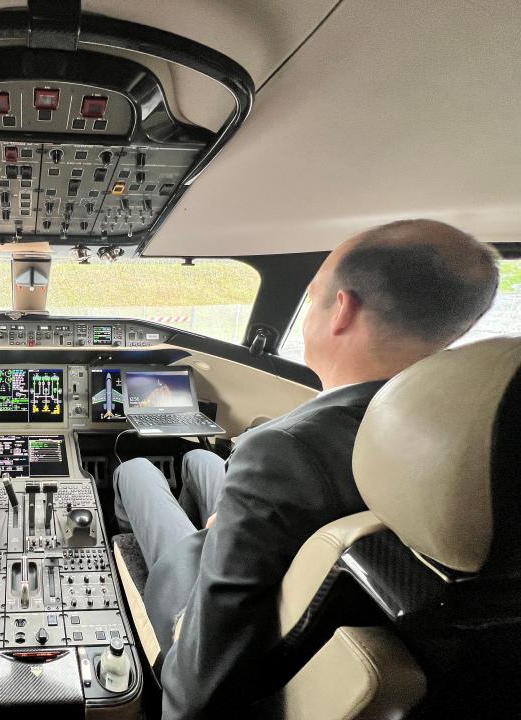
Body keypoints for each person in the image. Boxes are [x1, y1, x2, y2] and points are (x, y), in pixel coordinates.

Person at [112, 219, 501, 718]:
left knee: (138, 472)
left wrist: (216, 538)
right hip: (314, 570)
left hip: (227, 616)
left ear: (341, 309)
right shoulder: (482, 438)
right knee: (200, 457)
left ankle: (134, 563)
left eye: (312, 296)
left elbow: (200, 685)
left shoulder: (285, 449)